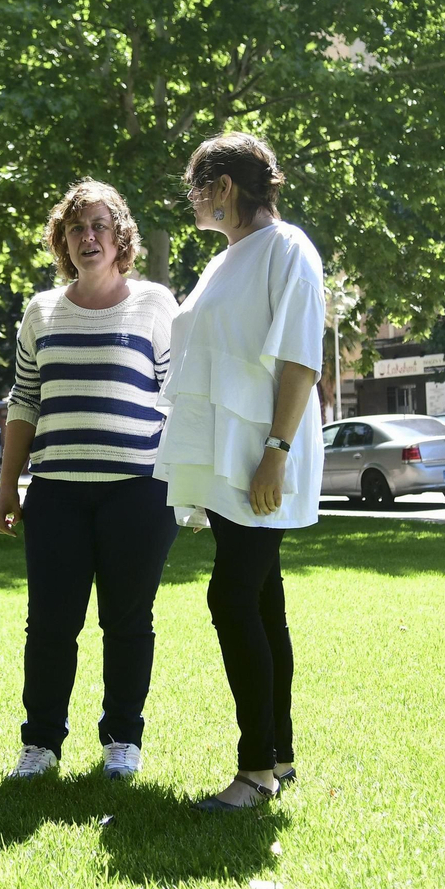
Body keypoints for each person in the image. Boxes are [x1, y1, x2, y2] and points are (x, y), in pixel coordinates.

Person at [154, 132, 325, 811]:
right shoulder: (227, 259)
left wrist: (276, 452)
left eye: (197, 186)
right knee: (260, 599)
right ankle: (278, 757)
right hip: (226, 460)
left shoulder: (287, 250)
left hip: (260, 458)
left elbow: (300, 360)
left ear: (223, 188)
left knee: (232, 598)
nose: (193, 200)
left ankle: (253, 771)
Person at [0, 180, 179, 781]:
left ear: (120, 237)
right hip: (57, 494)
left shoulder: (155, 304)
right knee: (50, 623)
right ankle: (40, 744)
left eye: (99, 225)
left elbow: (178, 399)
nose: (88, 236)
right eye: (76, 228)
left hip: (139, 492)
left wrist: (189, 485)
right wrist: (7, 486)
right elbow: (25, 400)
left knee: (127, 622)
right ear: (62, 241)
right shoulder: (41, 311)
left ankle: (122, 739)